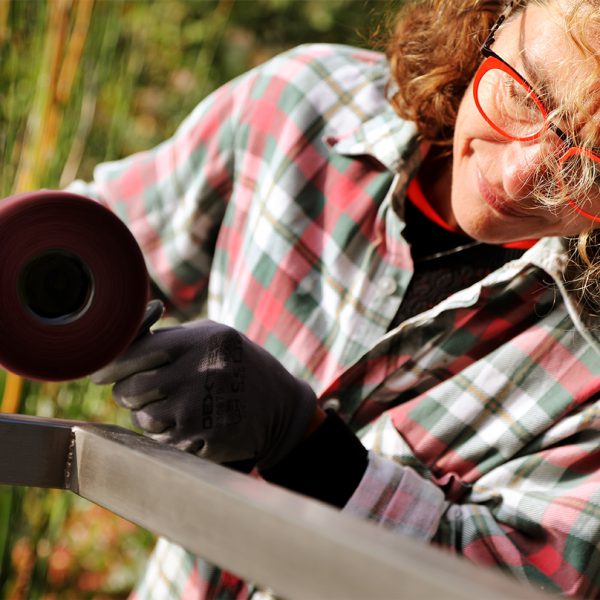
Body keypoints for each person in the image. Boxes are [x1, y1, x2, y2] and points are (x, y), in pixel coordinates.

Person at [67, 0, 600, 597]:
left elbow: (509, 585)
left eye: (592, 167)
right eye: (524, 96)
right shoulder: (302, 107)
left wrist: (303, 442)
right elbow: (92, 247)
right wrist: (68, 305)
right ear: (490, 20)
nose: (519, 176)